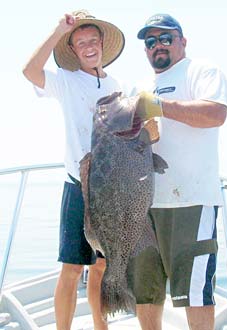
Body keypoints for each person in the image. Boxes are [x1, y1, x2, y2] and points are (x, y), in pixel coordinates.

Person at [23, 10, 125, 330]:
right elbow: (29, 71)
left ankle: (100, 326)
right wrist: (58, 31)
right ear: (74, 50)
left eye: (92, 40)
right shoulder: (65, 81)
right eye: (80, 43)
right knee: (70, 268)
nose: (88, 46)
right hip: (77, 187)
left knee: (101, 267)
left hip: (108, 190)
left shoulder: (118, 85)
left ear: (102, 43)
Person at [131, 13, 227, 330]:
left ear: (182, 42)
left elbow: (215, 113)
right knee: (146, 291)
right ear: (145, 50)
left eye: (165, 38)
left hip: (191, 200)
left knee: (195, 293)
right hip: (144, 205)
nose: (157, 45)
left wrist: (159, 105)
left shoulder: (201, 71)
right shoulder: (139, 85)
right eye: (150, 41)